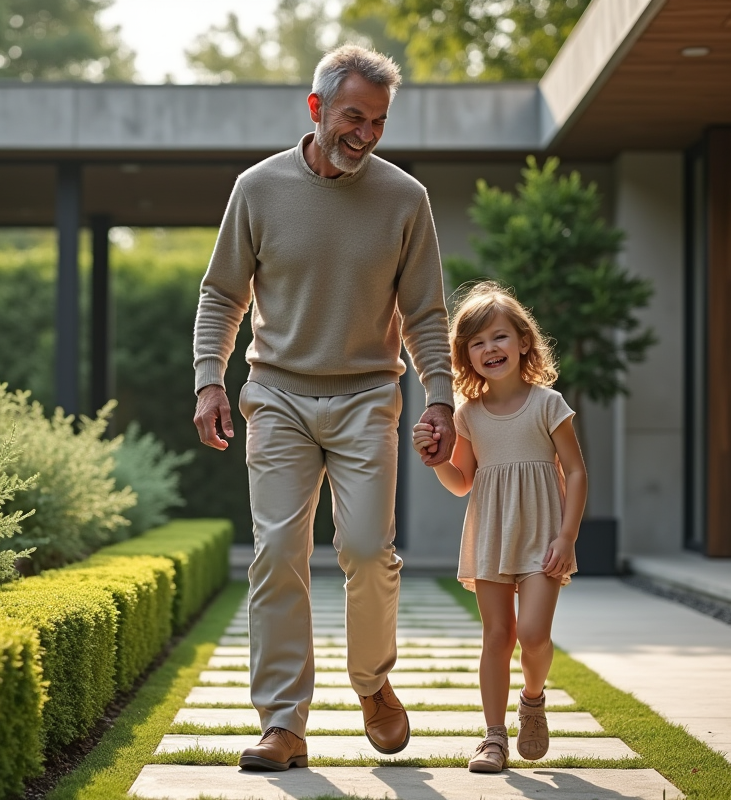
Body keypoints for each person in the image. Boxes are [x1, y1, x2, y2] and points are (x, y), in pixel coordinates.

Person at [192, 45, 456, 771]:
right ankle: (283, 722)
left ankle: (373, 684)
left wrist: (440, 398)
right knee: (279, 552)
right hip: (275, 394)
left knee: (368, 551)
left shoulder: (405, 199)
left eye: (378, 121)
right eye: (353, 117)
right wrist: (209, 380)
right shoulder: (257, 188)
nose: (365, 134)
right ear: (315, 109)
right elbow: (222, 295)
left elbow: (426, 311)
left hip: (369, 395)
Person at [412, 281, 586, 774]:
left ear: (524, 342)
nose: (490, 348)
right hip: (490, 535)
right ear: (466, 355)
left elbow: (575, 471)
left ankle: (532, 699)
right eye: (477, 342)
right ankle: (492, 738)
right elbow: (461, 482)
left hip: (544, 537)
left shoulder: (548, 404)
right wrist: (436, 459)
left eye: (499, 337)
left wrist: (567, 535)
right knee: (497, 636)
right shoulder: (467, 415)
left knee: (532, 635)